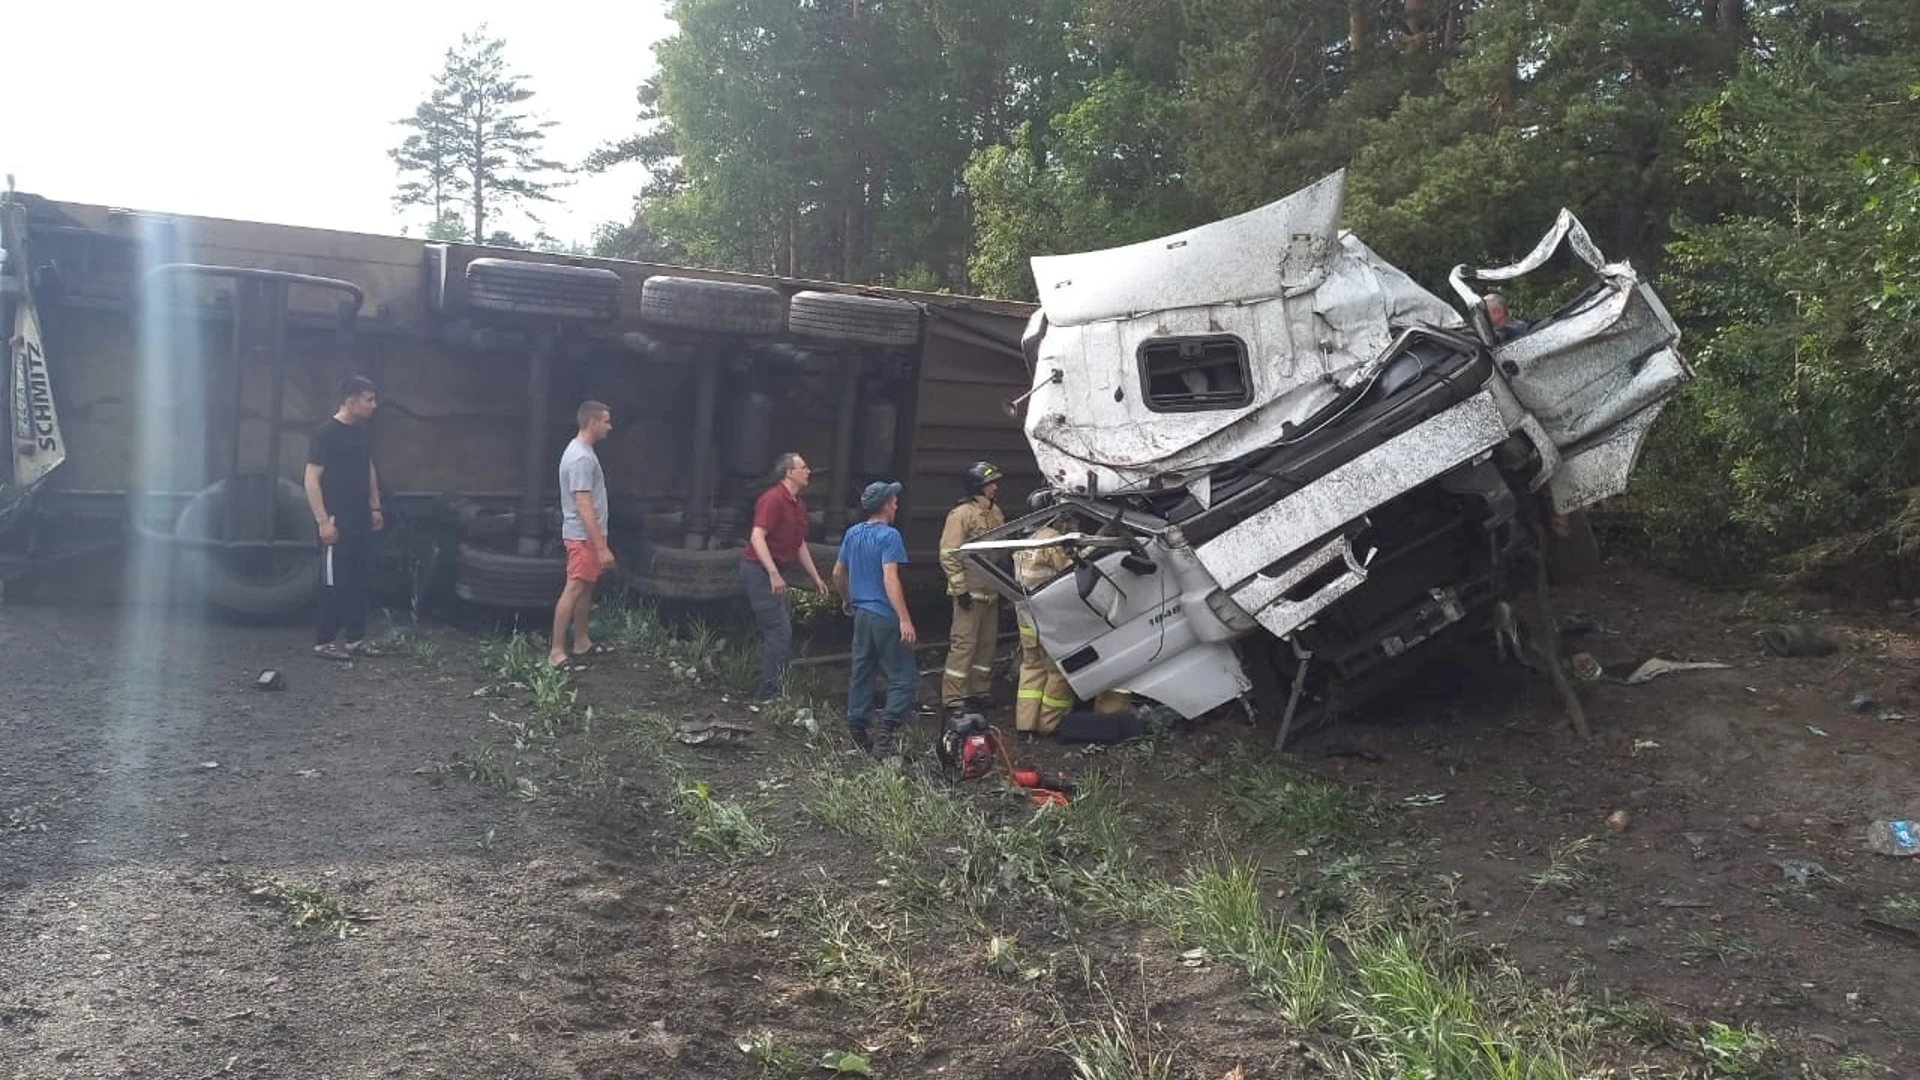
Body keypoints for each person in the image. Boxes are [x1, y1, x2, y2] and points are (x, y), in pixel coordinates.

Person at [833, 480, 918, 755]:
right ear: (884, 505)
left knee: (863, 670)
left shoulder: (852, 534)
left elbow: (837, 573)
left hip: (862, 615)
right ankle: (886, 732)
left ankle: (858, 728)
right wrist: (904, 618)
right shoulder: (889, 536)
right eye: (893, 500)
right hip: (884, 615)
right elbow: (890, 576)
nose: (896, 503)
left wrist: (847, 599)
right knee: (903, 676)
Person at [305, 375, 385, 661]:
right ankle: (324, 642)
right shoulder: (325, 433)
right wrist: (323, 521)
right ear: (350, 401)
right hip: (337, 518)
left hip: (361, 516)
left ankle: (355, 639)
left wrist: (375, 507)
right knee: (333, 581)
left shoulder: (362, 432)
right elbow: (311, 478)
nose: (374, 405)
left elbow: (368, 468)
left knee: (360, 579)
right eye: (369, 400)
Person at [742, 451, 832, 700]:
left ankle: (768, 684)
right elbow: (756, 536)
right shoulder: (772, 500)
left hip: (772, 572)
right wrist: (772, 573)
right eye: (803, 467)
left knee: (782, 630)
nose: (808, 471)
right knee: (779, 631)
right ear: (789, 473)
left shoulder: (797, 505)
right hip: (759, 572)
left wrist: (815, 577)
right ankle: (767, 693)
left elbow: (799, 542)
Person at [548, 401, 615, 672]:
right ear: (592, 423)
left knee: (586, 587)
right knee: (574, 587)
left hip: (586, 536)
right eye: (606, 421)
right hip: (582, 537)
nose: (610, 426)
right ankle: (556, 652)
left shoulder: (583, 452)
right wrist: (600, 547)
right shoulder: (580, 458)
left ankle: (581, 642)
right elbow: (583, 504)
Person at [937, 460, 1006, 713]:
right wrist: (960, 590)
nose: (995, 487)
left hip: (992, 591)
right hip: (970, 592)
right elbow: (948, 554)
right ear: (978, 487)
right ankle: (954, 698)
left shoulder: (996, 513)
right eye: (990, 484)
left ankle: (980, 690)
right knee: (964, 645)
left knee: (987, 644)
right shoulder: (961, 515)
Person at [1012, 494, 1078, 737]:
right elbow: (1071, 569)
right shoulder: (1051, 539)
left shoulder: (1022, 538)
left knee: (1031, 667)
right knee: (1058, 670)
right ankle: (1050, 724)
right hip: (1051, 616)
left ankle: (1025, 724)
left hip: (1026, 616)